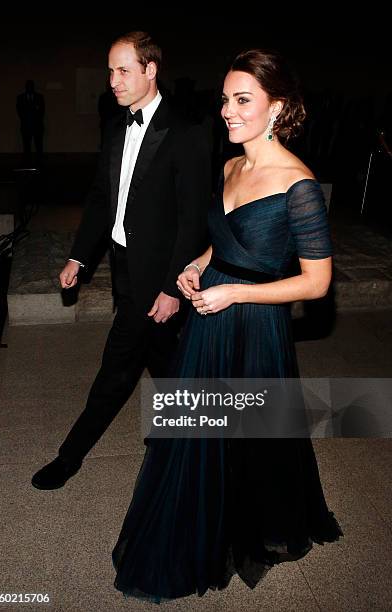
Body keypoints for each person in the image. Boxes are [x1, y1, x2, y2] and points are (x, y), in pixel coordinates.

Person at [111, 48, 343, 603]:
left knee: (252, 436)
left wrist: (235, 292)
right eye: (224, 100)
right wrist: (195, 267)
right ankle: (199, 522)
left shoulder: (299, 185)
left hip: (253, 324)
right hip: (210, 314)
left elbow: (316, 284)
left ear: (277, 106)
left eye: (243, 100)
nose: (228, 111)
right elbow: (228, 239)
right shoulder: (230, 166)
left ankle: (251, 523)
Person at [31, 31, 211, 490]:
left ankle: (69, 457)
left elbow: (193, 222)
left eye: (123, 70)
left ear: (151, 70)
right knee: (165, 360)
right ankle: (190, 433)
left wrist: (172, 287)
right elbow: (99, 202)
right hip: (124, 270)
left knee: (116, 370)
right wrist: (79, 256)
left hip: (161, 278)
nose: (112, 80)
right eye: (110, 70)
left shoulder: (186, 133)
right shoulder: (115, 128)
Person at [16, 80, 45, 165]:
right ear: (26, 87)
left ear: (33, 87)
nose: (29, 88)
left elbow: (42, 111)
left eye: (31, 86)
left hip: (37, 126)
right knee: (26, 146)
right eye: (28, 86)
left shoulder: (39, 97)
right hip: (26, 125)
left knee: (39, 145)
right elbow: (19, 111)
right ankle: (27, 162)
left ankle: (40, 163)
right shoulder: (20, 97)